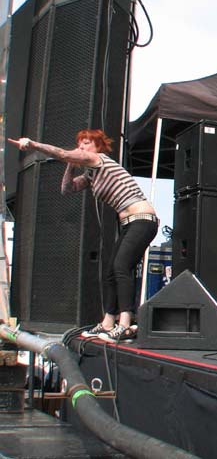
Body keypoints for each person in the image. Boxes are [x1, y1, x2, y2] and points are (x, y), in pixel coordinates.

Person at [9, 130, 158, 342]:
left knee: (121, 267)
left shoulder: (98, 159)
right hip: (129, 224)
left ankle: (125, 324)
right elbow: (67, 189)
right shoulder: (90, 174)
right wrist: (71, 163)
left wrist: (33, 144)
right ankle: (108, 323)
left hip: (143, 219)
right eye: (79, 144)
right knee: (111, 272)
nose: (81, 147)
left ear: (98, 146)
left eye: (86, 143)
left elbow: (62, 153)